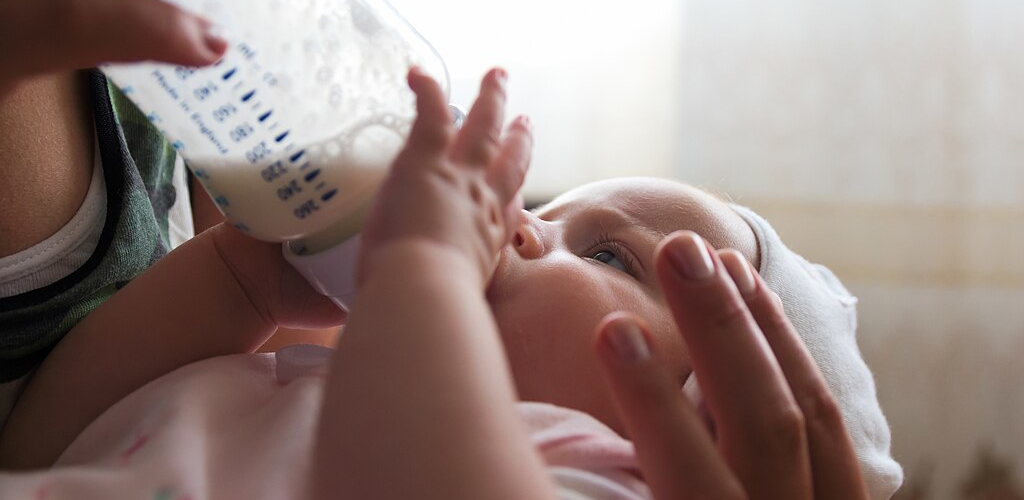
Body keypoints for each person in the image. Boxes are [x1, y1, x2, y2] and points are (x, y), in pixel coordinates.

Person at [0, 64, 901, 498]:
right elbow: (46, 442)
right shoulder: (315, 385)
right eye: (545, 209)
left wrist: (424, 265)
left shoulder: (592, 478)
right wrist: (239, 287)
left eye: (605, 254)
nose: (520, 226)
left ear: (694, 427)